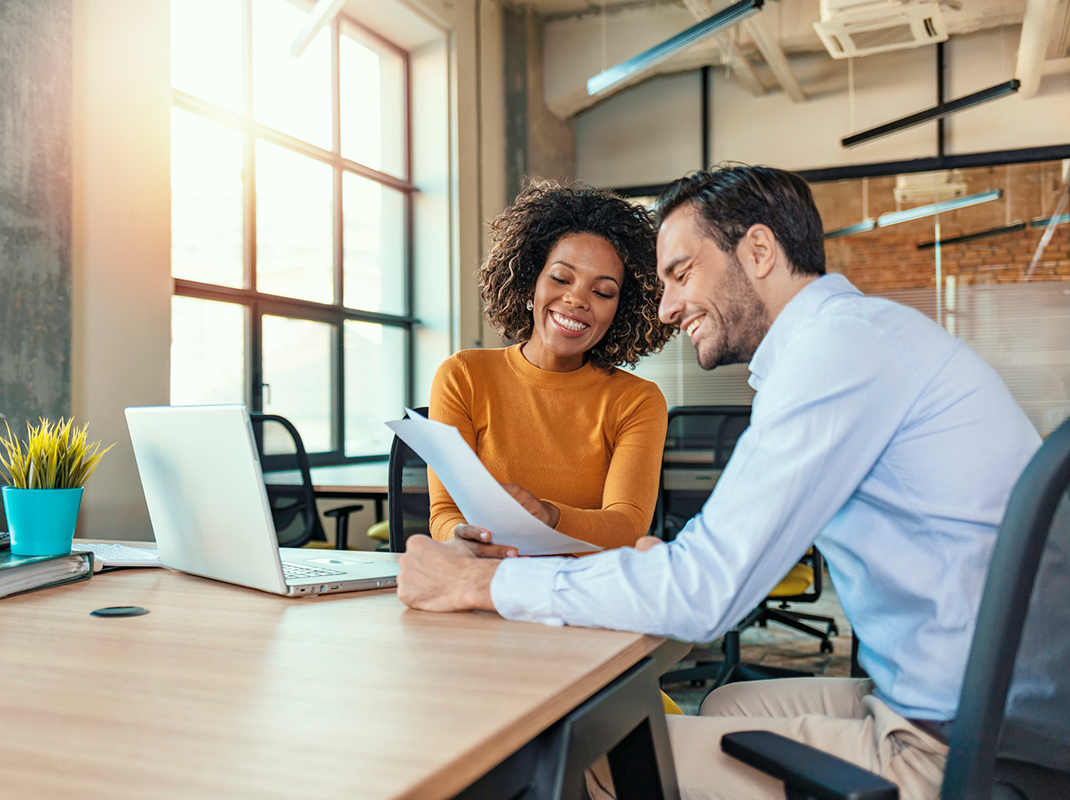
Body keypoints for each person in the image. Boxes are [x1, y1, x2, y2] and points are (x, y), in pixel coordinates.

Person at [397, 165, 1042, 800]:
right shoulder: (854, 338)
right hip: (966, 700)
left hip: (963, 743)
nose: (669, 305)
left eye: (681, 272)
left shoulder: (837, 355)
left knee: (597, 754)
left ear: (758, 250)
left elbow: (707, 594)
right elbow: (711, 559)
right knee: (725, 703)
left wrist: (480, 581)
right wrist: (673, 563)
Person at [427, 179, 672, 552]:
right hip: (486, 577)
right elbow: (445, 511)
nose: (576, 299)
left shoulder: (638, 400)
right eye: (560, 278)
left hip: (584, 589)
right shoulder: (463, 376)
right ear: (530, 283)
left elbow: (628, 527)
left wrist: (549, 516)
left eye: (603, 291)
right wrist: (460, 536)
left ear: (620, 311)